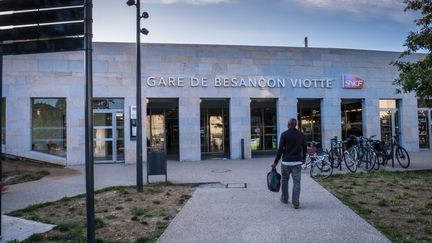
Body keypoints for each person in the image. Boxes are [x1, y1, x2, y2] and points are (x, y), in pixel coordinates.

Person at [272, 118, 307, 209]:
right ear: (296, 125)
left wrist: (275, 162)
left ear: (288, 124)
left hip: (286, 162)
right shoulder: (301, 135)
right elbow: (305, 148)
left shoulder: (284, 135)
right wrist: (303, 158)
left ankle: (284, 198)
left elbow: (280, 150)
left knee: (284, 180)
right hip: (297, 162)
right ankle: (296, 202)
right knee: (297, 182)